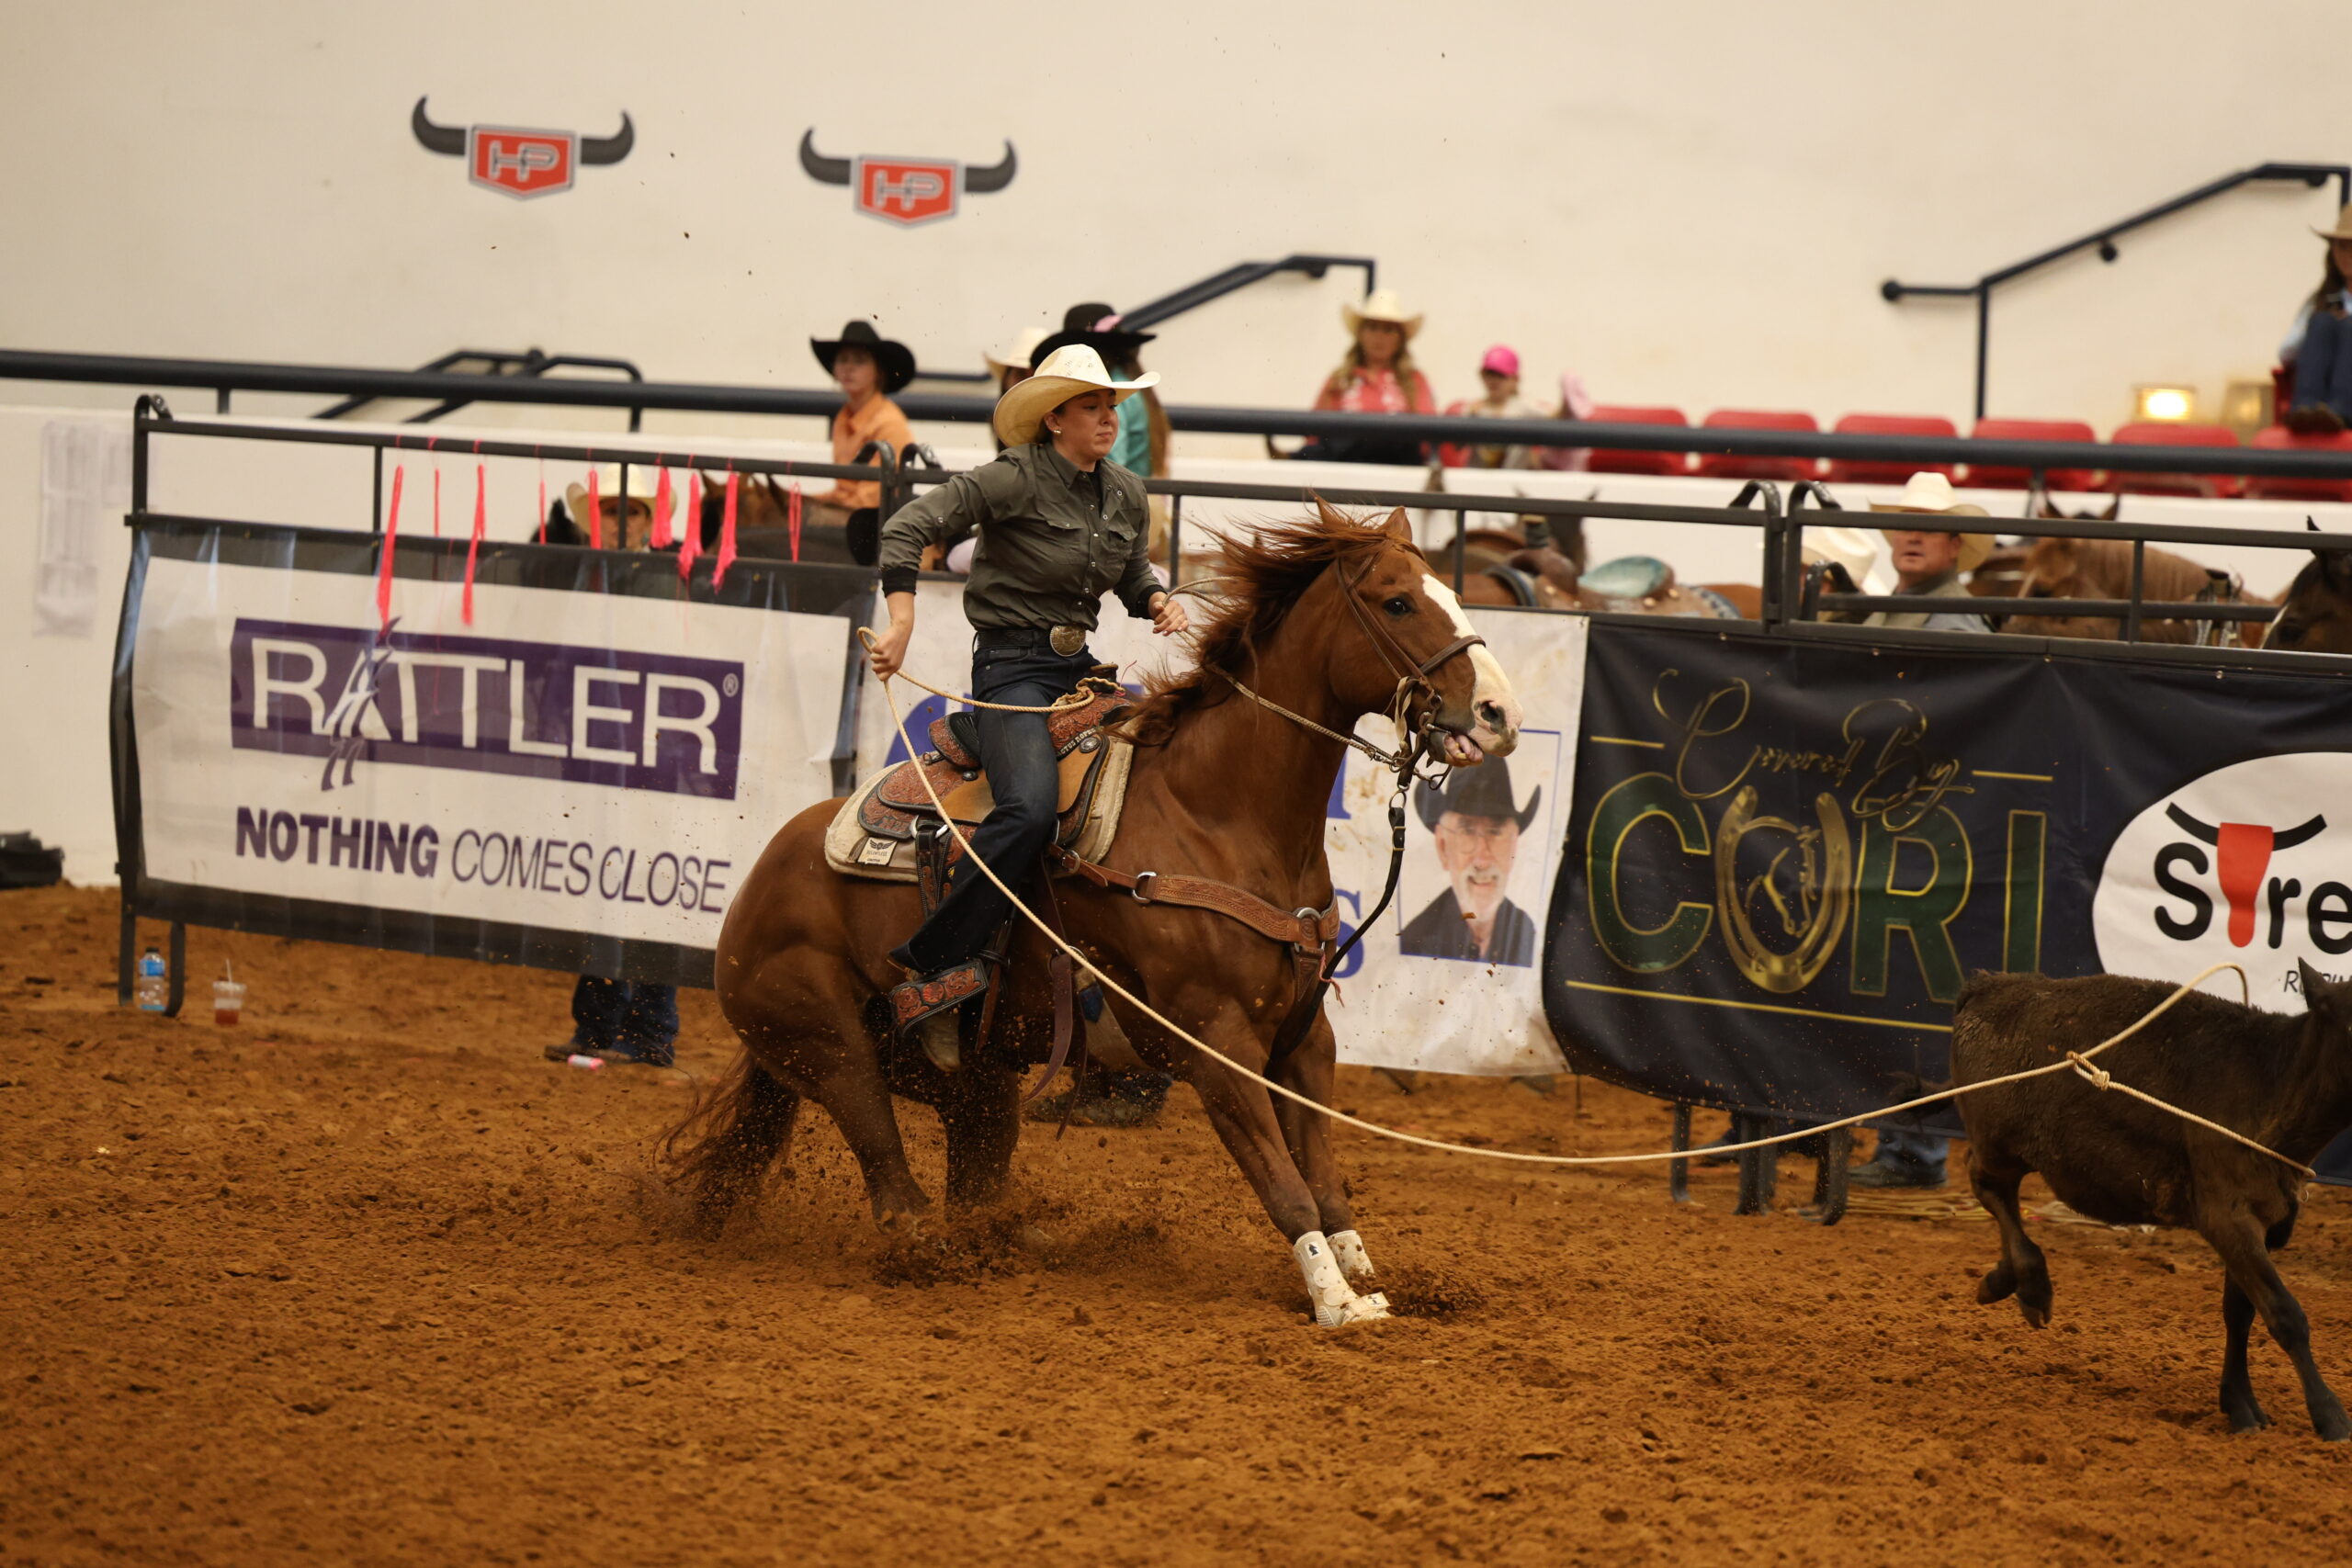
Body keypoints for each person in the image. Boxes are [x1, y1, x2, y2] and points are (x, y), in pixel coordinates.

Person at [868, 344, 1191, 1069]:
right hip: (1010, 672)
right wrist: (902, 623)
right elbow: (906, 528)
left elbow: (1132, 569)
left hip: (1080, 671)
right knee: (1031, 809)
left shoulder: (1126, 492)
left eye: (1112, 405)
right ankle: (936, 967)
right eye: (1092, 407)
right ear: (1054, 419)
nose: (1109, 417)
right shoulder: (1011, 478)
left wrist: (1157, 599)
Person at [1397, 758, 1541, 966]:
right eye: (1467, 831)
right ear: (1443, 847)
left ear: (1513, 845)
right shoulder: (1417, 941)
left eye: (1495, 832)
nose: (1481, 860)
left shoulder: (1531, 938)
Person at [1301, 289, 1437, 466]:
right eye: (1373, 328)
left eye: (1388, 330)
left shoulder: (1413, 380)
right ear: (1361, 334)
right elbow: (1315, 433)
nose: (1379, 337)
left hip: (1396, 465)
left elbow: (1426, 438)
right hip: (1345, 465)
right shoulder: (1340, 378)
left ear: (1399, 339)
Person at [807, 320, 918, 532]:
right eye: (843, 359)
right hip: (853, 517)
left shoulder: (889, 423)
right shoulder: (844, 417)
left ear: (878, 371)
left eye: (859, 361)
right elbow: (844, 492)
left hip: (873, 525)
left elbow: (872, 498)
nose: (848, 367)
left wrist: (815, 509)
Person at [1856, 470, 1995, 637]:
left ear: (1954, 546)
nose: (1914, 538)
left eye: (1929, 529)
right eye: (1906, 527)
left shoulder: (1954, 617)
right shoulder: (1893, 605)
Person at [2284, 206, 2352, 433]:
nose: (2346, 255)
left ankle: (2339, 409)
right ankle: (2307, 408)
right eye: (2341, 246)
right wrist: (2318, 329)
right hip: (2321, 393)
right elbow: (2286, 353)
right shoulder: (2327, 298)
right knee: (2324, 322)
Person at [1441, 345, 1541, 469]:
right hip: (1479, 480)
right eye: (1489, 374)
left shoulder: (1525, 407)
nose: (1494, 381)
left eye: (1501, 375)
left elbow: (1556, 418)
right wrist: (1469, 420)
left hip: (1513, 479)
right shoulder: (1472, 408)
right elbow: (1455, 446)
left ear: (1515, 379)